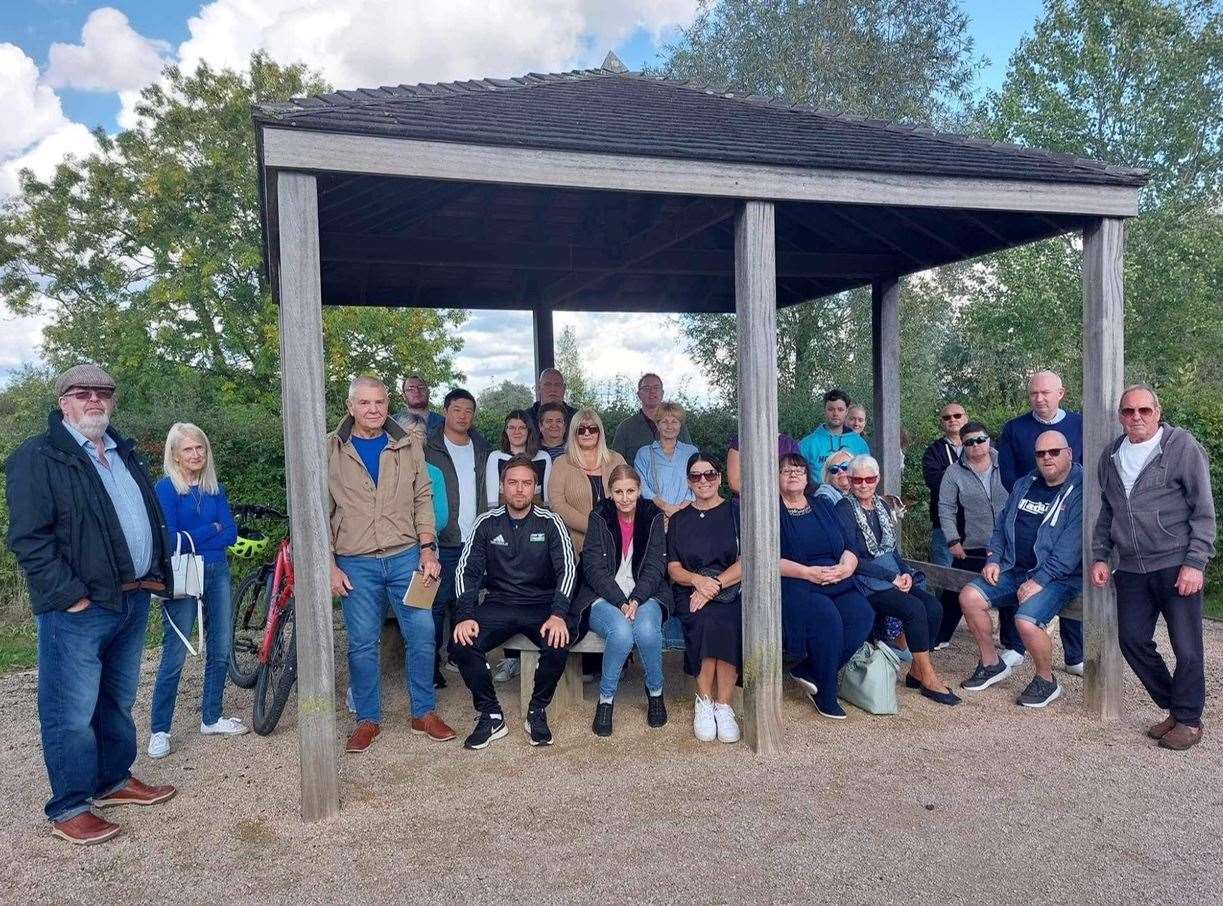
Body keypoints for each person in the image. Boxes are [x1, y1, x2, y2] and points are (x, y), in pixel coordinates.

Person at [6, 364, 176, 845]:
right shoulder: (38, 457)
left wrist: (153, 577)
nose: (94, 400)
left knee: (116, 700)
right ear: (63, 402)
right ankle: (71, 806)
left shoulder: (122, 452)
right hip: (80, 607)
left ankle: (113, 780)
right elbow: (30, 540)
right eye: (83, 393)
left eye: (104, 392)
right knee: (70, 709)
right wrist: (69, 597)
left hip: (131, 596)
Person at [328, 377, 453, 753]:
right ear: (351, 407)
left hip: (405, 557)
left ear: (388, 404)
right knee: (363, 643)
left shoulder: (406, 445)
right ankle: (367, 719)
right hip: (356, 561)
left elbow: (423, 497)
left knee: (423, 633)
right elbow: (316, 510)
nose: (373, 410)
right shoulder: (330, 449)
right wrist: (329, 565)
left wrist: (428, 549)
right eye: (364, 403)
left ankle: (424, 712)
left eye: (379, 402)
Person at [1091, 385, 1216, 750]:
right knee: (1132, 640)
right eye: (1128, 412)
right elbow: (1108, 513)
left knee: (1187, 647)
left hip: (1176, 562)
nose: (1136, 417)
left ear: (1157, 412)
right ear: (1120, 417)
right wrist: (1101, 555)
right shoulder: (1111, 455)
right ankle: (1177, 707)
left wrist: (1195, 562)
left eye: (1144, 410)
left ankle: (1189, 721)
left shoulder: (1181, 447)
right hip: (1130, 567)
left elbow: (1204, 511)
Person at [451, 456, 577, 749]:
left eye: (526, 483)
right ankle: (491, 714)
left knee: (559, 640)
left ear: (535, 488)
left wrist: (558, 613)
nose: (519, 489)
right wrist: (465, 615)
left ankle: (537, 710)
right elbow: (466, 570)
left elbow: (568, 569)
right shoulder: (486, 522)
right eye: (513, 483)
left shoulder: (550, 522)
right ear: (502, 487)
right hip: (499, 603)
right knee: (462, 641)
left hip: (541, 604)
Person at [958, 431, 1083, 708]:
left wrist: (1041, 579)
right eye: (1040, 453)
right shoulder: (1026, 482)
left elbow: (1073, 545)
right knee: (969, 597)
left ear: (1069, 453)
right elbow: (1002, 525)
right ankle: (992, 663)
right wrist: (994, 558)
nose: (1047, 458)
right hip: (1014, 567)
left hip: (1058, 576)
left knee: (1025, 621)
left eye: (1054, 452)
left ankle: (1046, 680)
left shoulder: (1082, 488)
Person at [148, 423, 246, 759]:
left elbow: (230, 534)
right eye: (189, 449)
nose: (196, 455)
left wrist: (202, 534)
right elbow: (170, 539)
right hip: (183, 574)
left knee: (220, 645)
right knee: (176, 650)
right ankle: (160, 729)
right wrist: (210, 529)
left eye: (200, 448)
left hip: (217, 570)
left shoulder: (215, 489)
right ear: (175, 454)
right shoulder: (165, 489)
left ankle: (212, 716)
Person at [837, 455, 959, 706]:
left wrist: (904, 572)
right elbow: (852, 556)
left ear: (877, 479)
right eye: (857, 479)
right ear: (849, 480)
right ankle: (928, 678)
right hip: (865, 578)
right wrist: (891, 576)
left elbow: (892, 550)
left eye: (869, 479)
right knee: (913, 609)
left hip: (892, 574)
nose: (863, 484)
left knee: (934, 607)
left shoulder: (881, 506)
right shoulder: (844, 509)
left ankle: (916, 669)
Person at [996, 370, 1085, 673]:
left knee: (1065, 578)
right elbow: (1008, 473)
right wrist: (1026, 503)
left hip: (1070, 510)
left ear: (1061, 393)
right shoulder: (1015, 429)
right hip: (1027, 510)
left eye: (1046, 392)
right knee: (1016, 576)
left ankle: (1075, 655)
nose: (1039, 398)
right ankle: (1014, 647)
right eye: (1034, 393)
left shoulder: (1081, 424)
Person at [576, 464, 671, 736]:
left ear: (639, 490)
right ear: (610, 492)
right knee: (620, 633)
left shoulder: (652, 515)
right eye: (618, 491)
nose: (625, 497)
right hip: (604, 594)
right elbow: (593, 567)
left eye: (630, 491)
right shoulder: (600, 515)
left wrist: (637, 599)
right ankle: (606, 700)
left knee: (646, 631)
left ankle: (655, 692)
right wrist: (620, 601)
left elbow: (655, 565)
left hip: (646, 593)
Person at [778, 454, 874, 719]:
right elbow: (765, 558)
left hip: (836, 575)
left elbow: (849, 545)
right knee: (828, 618)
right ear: (776, 478)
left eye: (798, 470)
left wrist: (846, 566)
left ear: (808, 477)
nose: (793, 474)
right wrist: (807, 572)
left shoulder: (822, 505)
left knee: (862, 616)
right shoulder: (772, 510)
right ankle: (826, 692)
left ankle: (810, 669)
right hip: (797, 580)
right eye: (786, 471)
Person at [667, 452, 744, 742]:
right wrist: (698, 581)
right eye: (696, 476)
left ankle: (724, 706)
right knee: (702, 619)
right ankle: (704, 702)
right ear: (689, 481)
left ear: (720, 477)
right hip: (690, 588)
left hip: (729, 586)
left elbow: (746, 560)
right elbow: (674, 568)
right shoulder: (678, 520)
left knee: (725, 619)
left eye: (710, 474)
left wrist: (714, 585)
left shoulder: (736, 511)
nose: (704, 481)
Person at [933, 420, 1020, 655]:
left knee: (1009, 589)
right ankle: (940, 636)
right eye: (969, 442)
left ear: (989, 439)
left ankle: (1012, 643)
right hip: (973, 542)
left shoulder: (1007, 462)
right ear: (962, 445)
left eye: (980, 439)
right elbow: (946, 507)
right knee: (956, 588)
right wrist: (952, 540)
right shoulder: (953, 472)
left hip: (1009, 543)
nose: (976, 445)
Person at [424, 388, 491, 686]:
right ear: (446, 410)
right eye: (457, 410)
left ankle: (459, 654)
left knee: (468, 600)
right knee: (436, 604)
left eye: (469, 411)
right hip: (444, 538)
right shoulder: (430, 446)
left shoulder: (480, 445)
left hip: (474, 537)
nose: (463, 416)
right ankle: (431, 664)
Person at [548, 409, 627, 554]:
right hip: (577, 545)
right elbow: (557, 504)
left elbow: (629, 494)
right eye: (581, 429)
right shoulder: (561, 463)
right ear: (573, 433)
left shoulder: (616, 460)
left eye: (592, 429)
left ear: (600, 432)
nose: (587, 433)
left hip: (618, 541)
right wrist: (593, 527)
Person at [611, 372, 694, 466]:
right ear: (638, 394)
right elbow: (615, 464)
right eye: (646, 388)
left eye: (656, 388)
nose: (652, 391)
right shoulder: (625, 427)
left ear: (662, 393)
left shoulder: (678, 426)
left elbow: (691, 461)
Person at [634, 401, 699, 518]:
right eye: (664, 422)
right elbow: (640, 484)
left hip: (687, 514)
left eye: (674, 421)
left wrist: (681, 508)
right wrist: (665, 506)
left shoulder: (691, 452)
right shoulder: (644, 453)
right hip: (655, 516)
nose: (670, 426)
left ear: (680, 425)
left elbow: (698, 480)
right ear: (657, 425)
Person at [921, 403, 966, 567]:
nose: (952, 420)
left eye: (957, 415)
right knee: (944, 575)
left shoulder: (980, 445)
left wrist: (951, 476)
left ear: (966, 418)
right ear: (942, 422)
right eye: (947, 417)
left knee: (975, 578)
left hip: (977, 526)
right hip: (945, 526)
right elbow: (934, 482)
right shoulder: (933, 451)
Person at [485, 409, 552, 507]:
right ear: (506, 431)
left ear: (528, 431)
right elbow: (492, 502)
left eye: (522, 428)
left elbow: (547, 500)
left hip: (536, 516)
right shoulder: (495, 457)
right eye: (512, 427)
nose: (517, 432)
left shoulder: (543, 457)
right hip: (503, 517)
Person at [798, 388, 871, 477]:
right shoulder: (807, 444)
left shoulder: (860, 444)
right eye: (831, 409)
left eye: (840, 409)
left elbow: (867, 476)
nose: (835, 413)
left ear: (846, 411)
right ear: (824, 410)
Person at [726, 432, 800, 495]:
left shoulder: (789, 444)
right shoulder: (740, 440)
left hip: (781, 504)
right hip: (746, 506)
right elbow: (734, 482)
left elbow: (795, 480)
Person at [528, 368, 577, 437]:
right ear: (539, 388)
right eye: (547, 384)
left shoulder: (576, 418)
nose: (553, 389)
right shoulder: (525, 418)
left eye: (557, 385)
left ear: (564, 388)